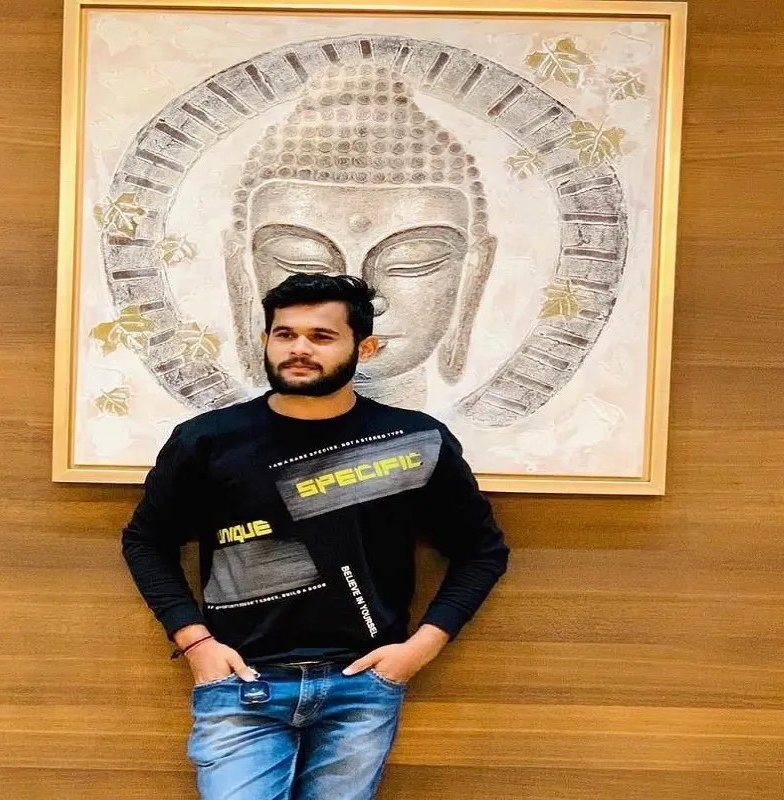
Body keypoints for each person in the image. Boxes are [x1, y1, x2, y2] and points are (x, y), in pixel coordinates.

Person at [122, 273, 510, 800]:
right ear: (265, 340)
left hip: (362, 685)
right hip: (242, 682)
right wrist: (196, 643)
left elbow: (481, 551)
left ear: (364, 348)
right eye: (285, 334)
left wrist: (419, 650)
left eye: (321, 336)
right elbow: (146, 541)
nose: (299, 349)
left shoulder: (414, 440)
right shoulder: (208, 441)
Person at [223, 63, 498, 409]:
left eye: (413, 261)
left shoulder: (430, 436)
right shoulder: (212, 435)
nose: (365, 301)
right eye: (301, 260)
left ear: (474, 275)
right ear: (242, 274)